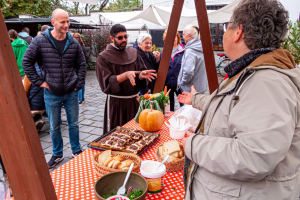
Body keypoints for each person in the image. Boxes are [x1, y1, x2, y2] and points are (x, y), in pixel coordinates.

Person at [178, 0, 300, 199]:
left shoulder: (267, 83)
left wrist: (192, 144)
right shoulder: (253, 72)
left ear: (238, 32)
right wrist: (198, 100)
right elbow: (234, 107)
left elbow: (253, 156)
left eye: (227, 27)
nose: (224, 33)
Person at [22, 8, 86, 168]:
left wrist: (79, 84)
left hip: (71, 91)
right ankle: (57, 154)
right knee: (55, 126)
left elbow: (82, 64)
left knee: (74, 124)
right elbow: (26, 62)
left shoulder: (72, 41)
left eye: (68, 21)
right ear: (53, 23)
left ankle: (76, 151)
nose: (66, 25)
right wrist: (39, 82)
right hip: (51, 93)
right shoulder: (40, 41)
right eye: (62, 22)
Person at [96, 24, 156, 134]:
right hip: (116, 104)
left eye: (125, 36)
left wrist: (141, 76)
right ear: (112, 38)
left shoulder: (133, 52)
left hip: (134, 102)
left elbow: (140, 72)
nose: (124, 40)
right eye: (120, 38)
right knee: (117, 137)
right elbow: (105, 84)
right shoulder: (103, 57)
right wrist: (125, 75)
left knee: (135, 135)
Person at [177, 25, 208, 94]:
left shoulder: (190, 51)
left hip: (190, 90)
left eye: (183, 34)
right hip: (201, 87)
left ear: (189, 36)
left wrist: (183, 82)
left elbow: (188, 71)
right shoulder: (202, 47)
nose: (183, 37)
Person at [163, 29, 185, 111]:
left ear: (177, 37)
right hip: (168, 83)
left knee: (184, 107)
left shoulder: (184, 51)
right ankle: (170, 123)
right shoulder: (164, 51)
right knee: (169, 109)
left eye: (174, 36)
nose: (173, 39)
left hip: (180, 84)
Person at [73, 33, 87, 105]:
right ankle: (82, 97)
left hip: (77, 66)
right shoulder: (83, 46)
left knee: (77, 83)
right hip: (83, 66)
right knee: (82, 82)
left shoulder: (76, 46)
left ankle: (79, 99)